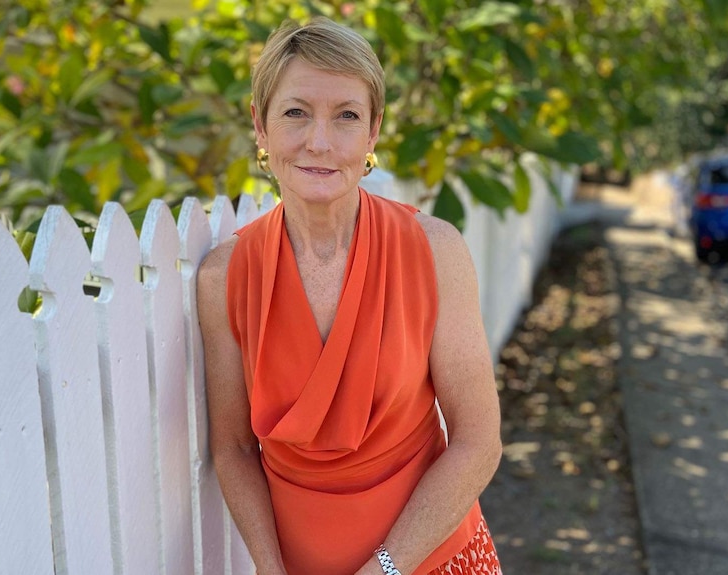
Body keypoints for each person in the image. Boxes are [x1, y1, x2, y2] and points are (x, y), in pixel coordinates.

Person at [197, 17, 503, 575]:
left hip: (434, 561)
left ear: (373, 130)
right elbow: (234, 450)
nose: (320, 141)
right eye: (295, 112)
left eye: (346, 116)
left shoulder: (435, 252)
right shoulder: (224, 278)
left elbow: (478, 441)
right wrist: (270, 568)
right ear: (260, 126)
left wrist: (383, 569)